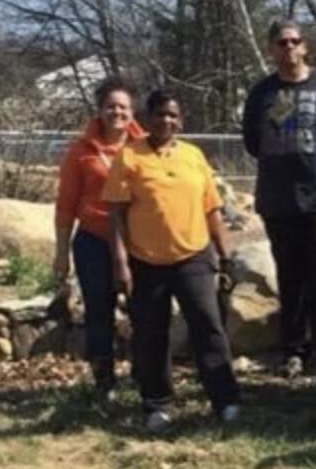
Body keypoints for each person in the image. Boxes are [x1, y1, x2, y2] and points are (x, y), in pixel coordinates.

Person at [103, 90, 240, 432]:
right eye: (160, 114)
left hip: (194, 256)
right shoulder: (129, 157)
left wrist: (225, 255)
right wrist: (120, 262)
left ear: (180, 120)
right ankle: (157, 404)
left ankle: (225, 401)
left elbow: (212, 209)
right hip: (145, 262)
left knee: (208, 327)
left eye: (173, 115)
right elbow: (115, 215)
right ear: (147, 119)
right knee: (151, 335)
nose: (166, 120)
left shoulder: (194, 156)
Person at [241, 19, 316, 378]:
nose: (288, 48)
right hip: (279, 202)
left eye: (294, 41)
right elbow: (251, 141)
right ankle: (293, 350)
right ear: (271, 49)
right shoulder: (261, 93)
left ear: (305, 46)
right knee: (289, 279)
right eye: (281, 42)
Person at [53, 78, 145, 401]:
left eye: (123, 107)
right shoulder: (80, 152)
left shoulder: (144, 147)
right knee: (99, 311)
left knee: (143, 309)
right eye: (111, 106)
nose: (117, 112)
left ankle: (143, 373)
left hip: (138, 241)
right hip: (94, 240)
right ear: (100, 110)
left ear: (133, 112)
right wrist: (61, 253)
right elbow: (65, 205)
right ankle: (104, 380)